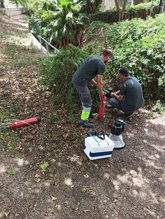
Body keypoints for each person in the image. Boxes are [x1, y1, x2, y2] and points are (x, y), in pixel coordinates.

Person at [72, 49, 113, 128]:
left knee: (85, 98)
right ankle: (83, 121)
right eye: (110, 58)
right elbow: (100, 81)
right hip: (80, 82)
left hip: (76, 78)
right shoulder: (101, 64)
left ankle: (88, 114)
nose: (109, 60)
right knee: (87, 101)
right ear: (108, 57)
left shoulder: (93, 57)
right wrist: (101, 93)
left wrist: (96, 84)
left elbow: (87, 73)